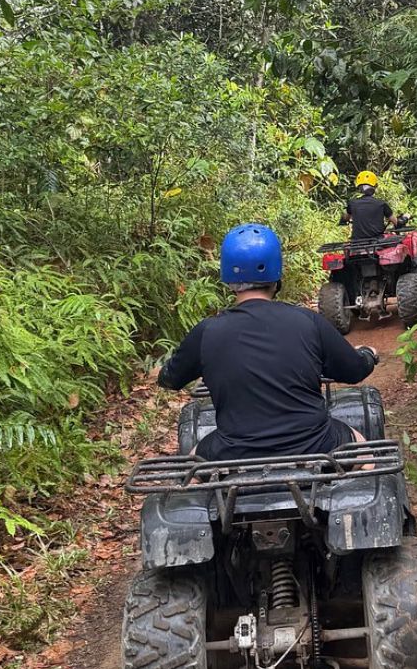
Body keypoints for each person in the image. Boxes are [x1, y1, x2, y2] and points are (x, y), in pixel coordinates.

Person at [157, 223, 379, 461]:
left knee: (193, 467)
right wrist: (367, 354)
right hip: (316, 443)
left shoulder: (206, 332)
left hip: (232, 452)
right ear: (276, 275)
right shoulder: (308, 322)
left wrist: (164, 370)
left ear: (228, 278)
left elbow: (170, 379)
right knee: (363, 450)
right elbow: (354, 371)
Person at [341, 170, 397, 241]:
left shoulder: (352, 203)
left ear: (359, 188)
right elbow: (396, 222)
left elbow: (345, 218)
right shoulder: (381, 204)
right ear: (375, 186)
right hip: (377, 242)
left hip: (357, 243)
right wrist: (405, 218)